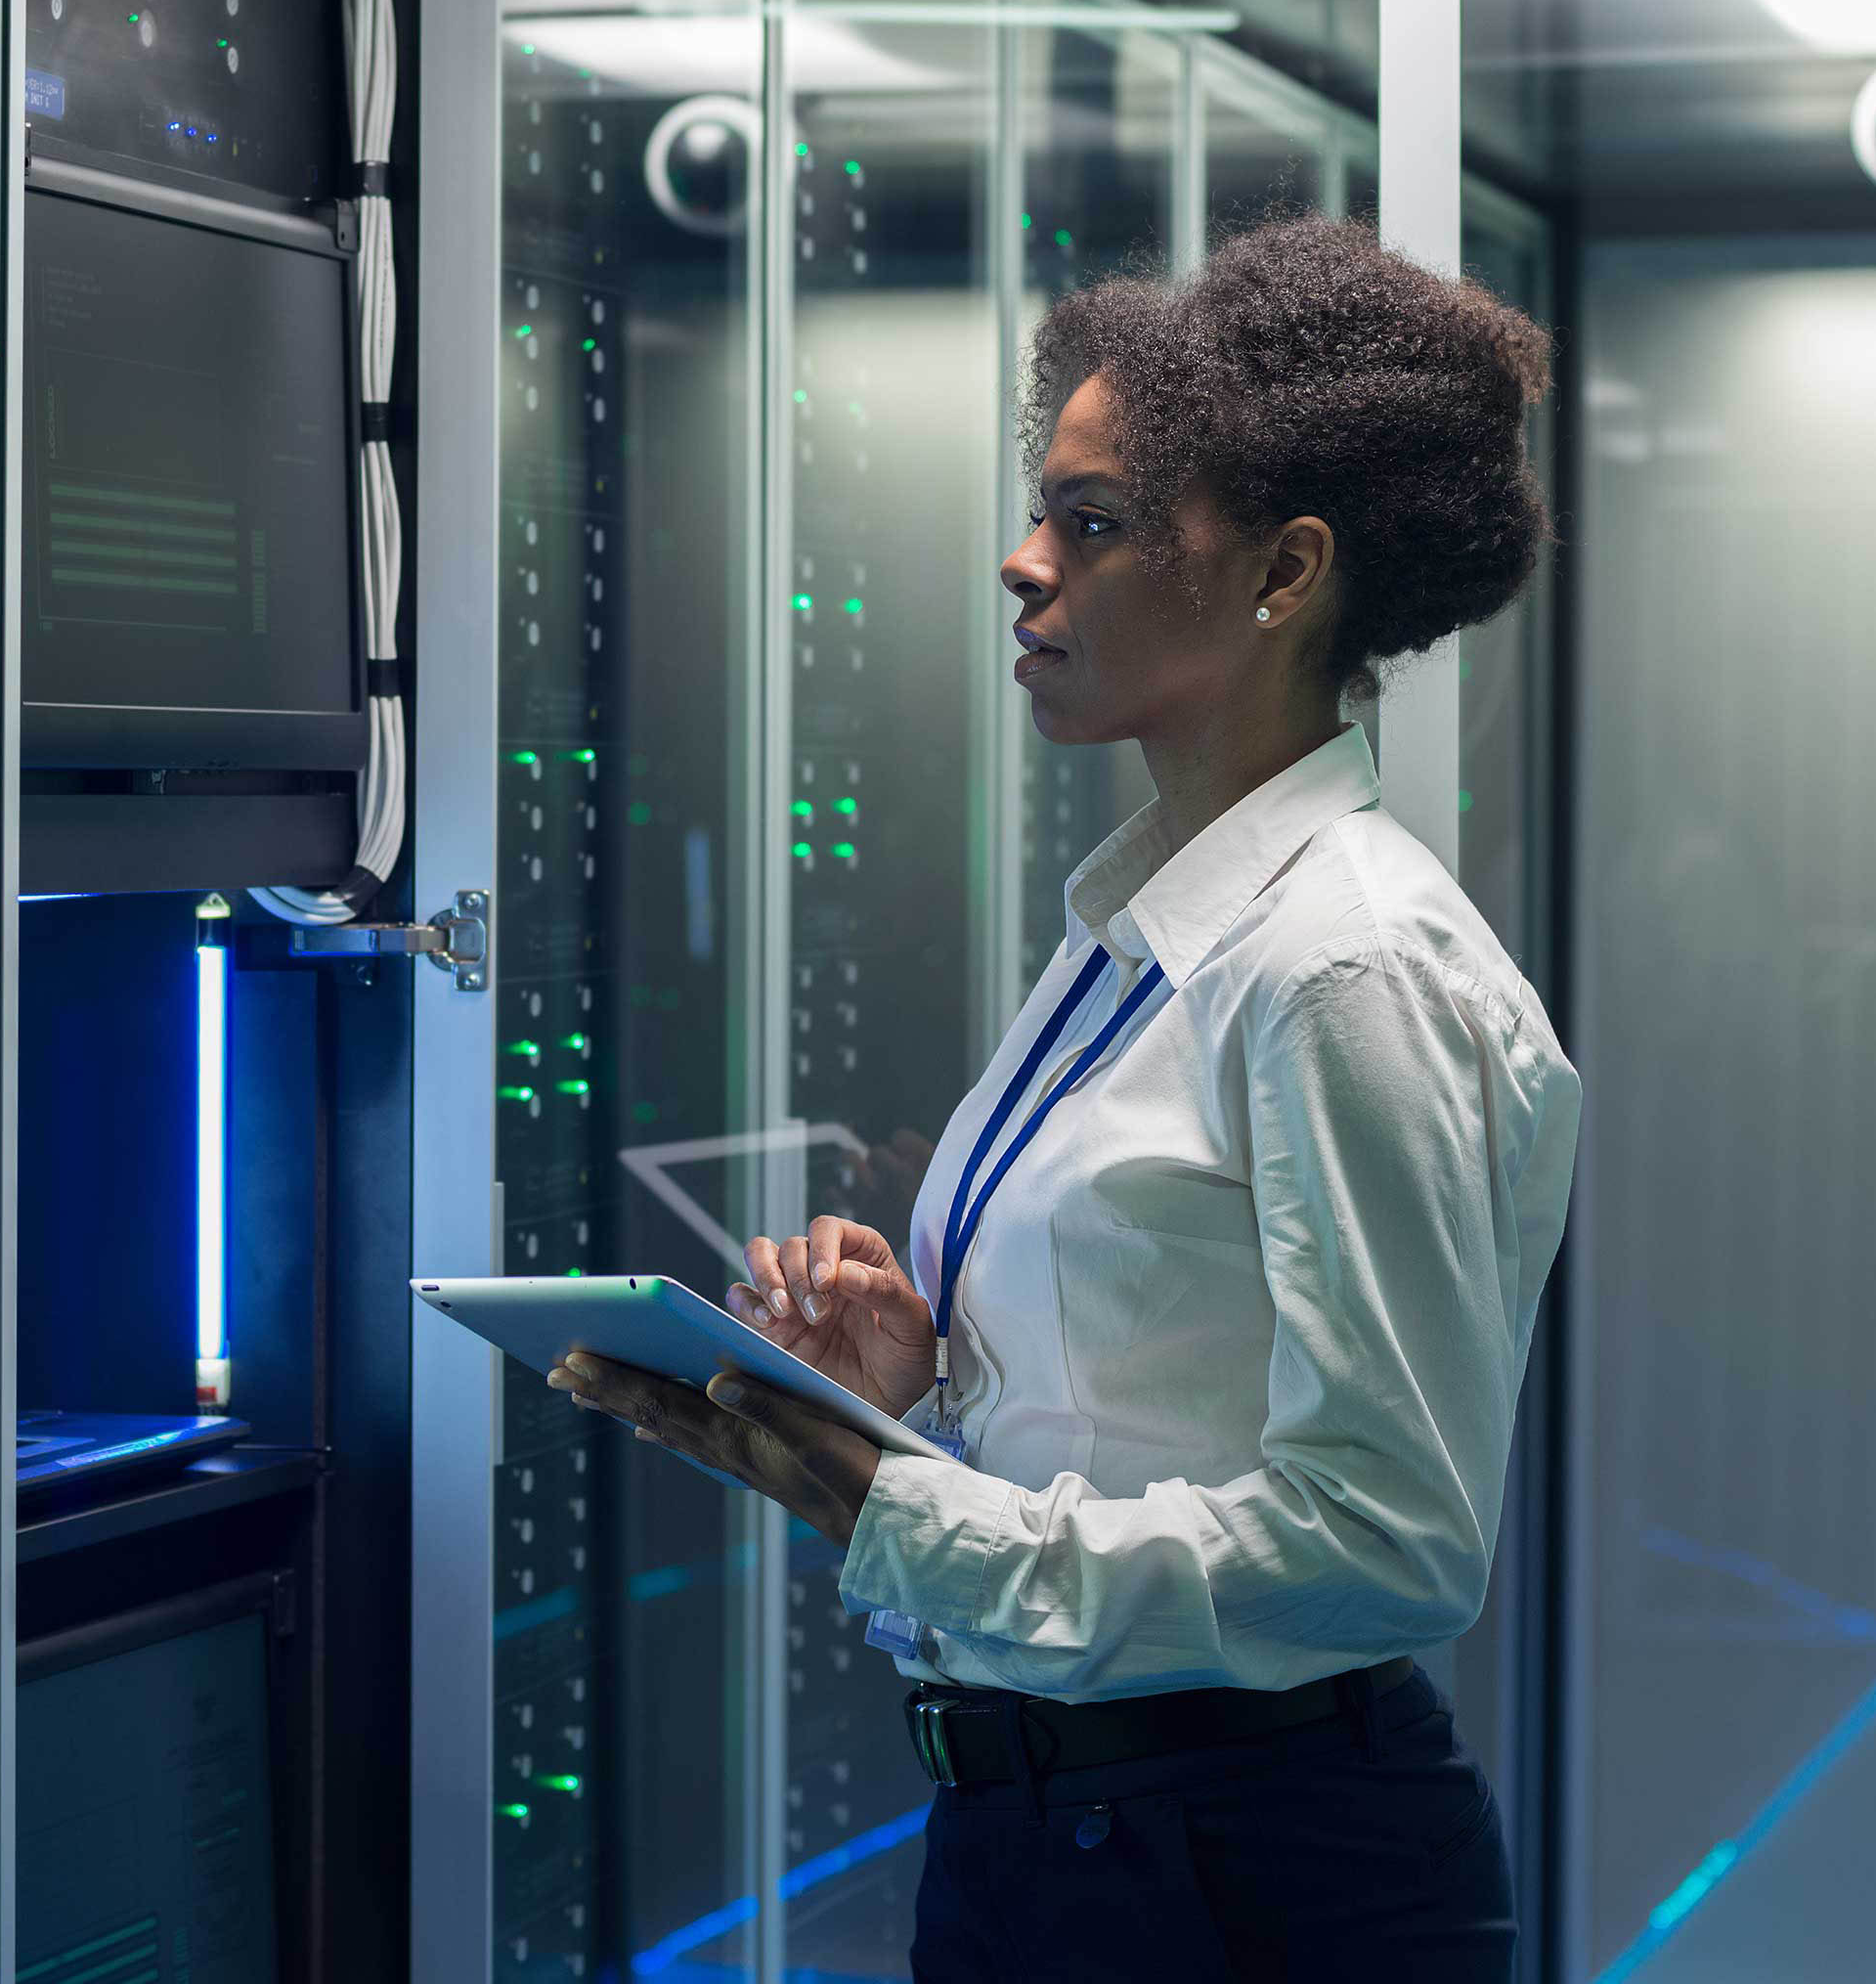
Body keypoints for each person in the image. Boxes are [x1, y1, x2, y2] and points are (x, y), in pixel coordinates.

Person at [549, 217, 1578, 1981]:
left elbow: (1386, 1546)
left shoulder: (1343, 964)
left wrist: (902, 1510)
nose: (1024, 566)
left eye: (1092, 525)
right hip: (1057, 1835)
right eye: (1044, 513)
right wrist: (904, 1397)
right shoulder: (1146, 923)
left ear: (1284, 575)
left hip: (1252, 1874)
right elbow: (1141, 1417)